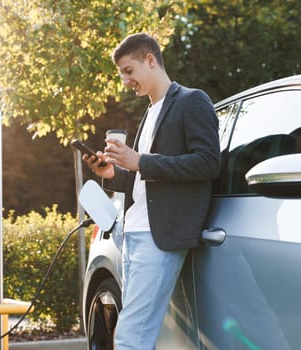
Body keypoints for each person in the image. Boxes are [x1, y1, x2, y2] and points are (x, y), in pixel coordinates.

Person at [83, 33, 220, 349]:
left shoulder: (192, 100)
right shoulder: (149, 113)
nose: (125, 81)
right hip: (132, 233)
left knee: (132, 337)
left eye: (128, 71)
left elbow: (208, 162)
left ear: (149, 59)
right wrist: (112, 173)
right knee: (138, 334)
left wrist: (140, 160)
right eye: (121, 75)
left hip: (160, 236)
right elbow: (143, 178)